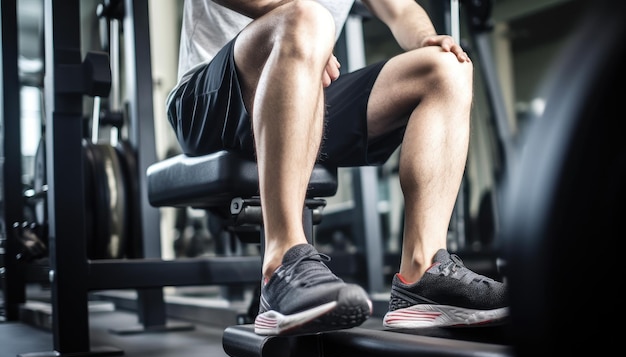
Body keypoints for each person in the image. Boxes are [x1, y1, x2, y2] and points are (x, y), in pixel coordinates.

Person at [166, 0, 509, 336]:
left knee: (447, 67)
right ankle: (281, 265)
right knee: (306, 17)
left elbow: (401, 8)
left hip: (305, 80)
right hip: (208, 102)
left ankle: (422, 275)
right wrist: (308, 35)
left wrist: (425, 38)